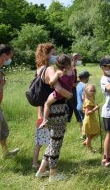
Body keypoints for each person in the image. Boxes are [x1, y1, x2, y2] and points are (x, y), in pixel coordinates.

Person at [34, 43, 72, 182]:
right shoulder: (50, 69)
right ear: (47, 54)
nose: (55, 56)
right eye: (53, 53)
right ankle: (53, 175)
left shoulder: (39, 69)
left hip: (48, 110)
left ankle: (41, 171)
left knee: (52, 141)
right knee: (56, 143)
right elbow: (58, 89)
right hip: (57, 109)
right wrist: (70, 95)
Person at [39, 54, 74, 128]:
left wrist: (51, 83)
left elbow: (51, 81)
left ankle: (45, 120)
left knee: (47, 103)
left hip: (58, 94)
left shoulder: (58, 73)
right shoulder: (72, 71)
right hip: (68, 92)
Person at [82, 84, 101, 151]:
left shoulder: (89, 99)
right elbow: (87, 113)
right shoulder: (88, 102)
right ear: (87, 91)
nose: (93, 92)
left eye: (94, 90)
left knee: (96, 132)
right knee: (90, 136)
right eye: (91, 91)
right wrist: (95, 109)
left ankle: (86, 142)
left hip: (91, 120)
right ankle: (90, 149)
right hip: (89, 120)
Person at [66, 53, 82, 123]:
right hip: (72, 92)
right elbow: (72, 84)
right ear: (75, 59)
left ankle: (66, 122)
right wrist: (80, 83)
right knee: (77, 108)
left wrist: (77, 80)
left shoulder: (69, 68)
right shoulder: (73, 69)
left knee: (69, 109)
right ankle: (81, 123)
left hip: (67, 91)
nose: (80, 60)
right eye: (79, 59)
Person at [76, 71, 92, 139]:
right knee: (87, 121)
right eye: (88, 77)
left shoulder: (78, 85)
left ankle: (83, 135)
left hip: (79, 106)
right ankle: (87, 135)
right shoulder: (86, 86)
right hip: (84, 106)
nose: (89, 78)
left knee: (83, 120)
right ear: (86, 78)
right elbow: (84, 98)